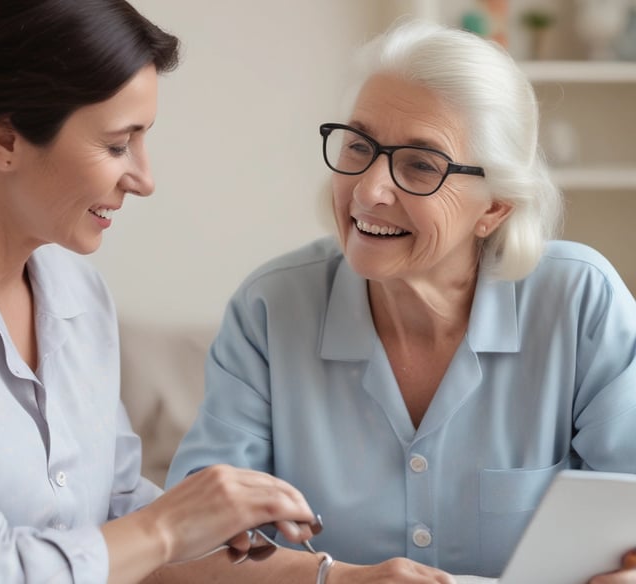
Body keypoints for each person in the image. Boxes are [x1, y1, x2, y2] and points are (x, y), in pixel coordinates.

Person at [0, 1, 327, 583]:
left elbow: (115, 522)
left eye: (143, 139)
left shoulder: (76, 288)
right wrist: (166, 526)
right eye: (117, 145)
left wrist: (337, 577)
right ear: (5, 139)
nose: (144, 178)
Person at [166, 18, 636, 583]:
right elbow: (185, 546)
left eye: (420, 164)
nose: (367, 190)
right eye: (360, 146)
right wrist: (339, 580)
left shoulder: (578, 301)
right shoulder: (271, 308)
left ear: (496, 207)